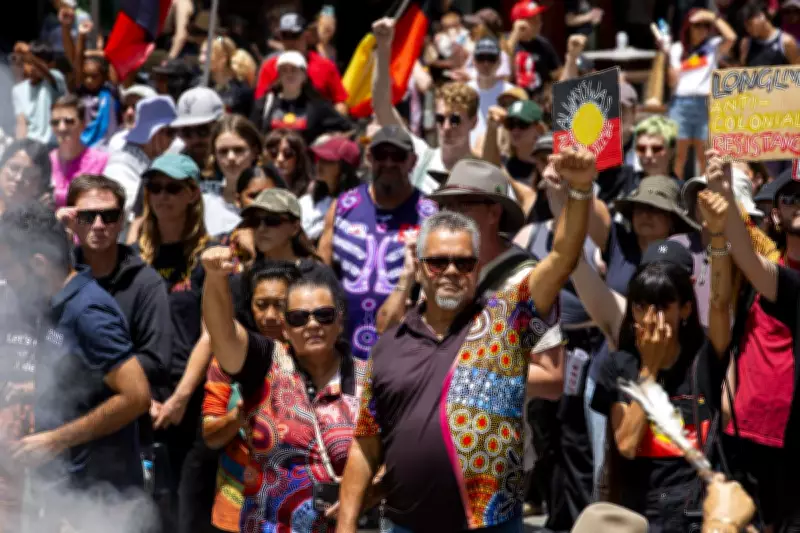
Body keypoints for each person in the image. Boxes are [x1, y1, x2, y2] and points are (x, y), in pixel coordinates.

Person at [336, 147, 595, 533]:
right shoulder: (390, 344)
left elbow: (562, 258)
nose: (451, 271)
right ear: (419, 268)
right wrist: (346, 525)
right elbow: (365, 444)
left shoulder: (503, 319)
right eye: (438, 262)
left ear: (477, 267)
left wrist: (580, 189)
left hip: (490, 522)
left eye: (464, 262)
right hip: (404, 524)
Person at [0, 202, 151, 523]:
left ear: (38, 265)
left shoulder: (89, 313)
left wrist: (55, 440)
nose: (5, 278)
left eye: (8, 267)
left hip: (100, 496)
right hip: (63, 490)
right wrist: (32, 390)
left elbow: (137, 396)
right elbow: (83, 376)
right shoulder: (52, 303)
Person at [202, 248, 369, 532]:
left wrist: (372, 489)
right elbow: (223, 333)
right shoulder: (265, 364)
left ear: (340, 322)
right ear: (286, 328)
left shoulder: (370, 379)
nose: (312, 324)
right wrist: (215, 277)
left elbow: (396, 455)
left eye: (324, 315)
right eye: (299, 318)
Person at [707, 151, 800, 531]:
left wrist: (727, 196)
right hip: (742, 434)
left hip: (790, 442)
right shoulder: (763, 273)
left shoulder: (781, 278)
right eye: (790, 197)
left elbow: (745, 253)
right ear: (775, 214)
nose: (798, 203)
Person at [135, 153, 210, 531]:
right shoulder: (135, 255)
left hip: (191, 400)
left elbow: (211, 334)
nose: (162, 196)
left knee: (187, 512)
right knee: (147, 511)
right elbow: (124, 329)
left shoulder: (208, 256)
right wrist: (141, 395)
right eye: (155, 187)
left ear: (192, 194)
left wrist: (179, 399)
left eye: (173, 188)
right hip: (143, 396)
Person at [317, 125, 438, 360]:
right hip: (342, 347)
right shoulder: (343, 206)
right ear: (369, 158)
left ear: (412, 162)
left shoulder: (429, 214)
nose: (389, 163)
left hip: (404, 347)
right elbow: (320, 272)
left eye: (398, 156)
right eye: (381, 155)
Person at [201, 261, 301, 533]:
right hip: (236, 510)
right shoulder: (227, 361)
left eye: (280, 305)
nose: (270, 316)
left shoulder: (313, 360)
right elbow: (211, 436)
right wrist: (240, 414)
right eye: (261, 305)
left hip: (296, 510)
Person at [59, 173, 173, 404]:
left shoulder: (145, 282)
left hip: (119, 410)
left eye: (109, 216)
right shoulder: (58, 275)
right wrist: (54, 234)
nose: (98, 225)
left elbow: (156, 360)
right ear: (72, 220)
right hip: (60, 407)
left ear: (121, 221)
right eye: (87, 216)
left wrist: (81, 375)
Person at [372, 17, 478, 193]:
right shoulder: (420, 156)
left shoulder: (485, 173)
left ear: (473, 122)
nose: (446, 127)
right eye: (440, 119)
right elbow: (382, 107)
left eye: (455, 120)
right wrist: (383, 47)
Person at [665, 9, 736, 180]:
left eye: (706, 26)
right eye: (697, 25)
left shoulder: (713, 46)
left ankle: (705, 191)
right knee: (678, 156)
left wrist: (712, 16)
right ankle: (676, 191)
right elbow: (671, 82)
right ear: (688, 27)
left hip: (706, 103)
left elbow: (731, 37)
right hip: (680, 103)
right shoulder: (676, 48)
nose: (702, 29)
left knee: (705, 156)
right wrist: (669, 64)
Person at [254, 12, 349, 116]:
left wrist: (335, 117)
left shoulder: (326, 66)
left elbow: (340, 102)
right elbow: (260, 104)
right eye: (285, 36)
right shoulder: (270, 66)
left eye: (295, 35)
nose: (290, 42)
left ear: (306, 35)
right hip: (280, 122)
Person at [252, 51, 352, 146]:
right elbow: (252, 135)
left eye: (294, 70)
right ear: (279, 76)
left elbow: (348, 129)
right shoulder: (265, 103)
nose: (289, 74)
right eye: (284, 70)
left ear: (304, 75)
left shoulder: (317, 106)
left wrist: (324, 142)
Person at [104, 95, 178, 217]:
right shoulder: (120, 164)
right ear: (155, 133)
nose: (174, 139)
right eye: (171, 133)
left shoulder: (151, 159)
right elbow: (129, 208)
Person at [49, 95, 108, 208]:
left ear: (83, 124)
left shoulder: (101, 161)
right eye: (55, 122)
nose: (61, 128)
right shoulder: (46, 161)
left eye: (69, 121)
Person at [302, 135, 361, 241]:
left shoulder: (357, 206)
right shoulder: (306, 201)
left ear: (344, 169)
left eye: (328, 160)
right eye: (319, 158)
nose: (319, 164)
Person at [12, 41, 67, 146]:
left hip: (51, 144)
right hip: (30, 144)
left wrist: (28, 54)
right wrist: (19, 147)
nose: (32, 67)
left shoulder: (55, 78)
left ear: (51, 65)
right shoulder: (17, 90)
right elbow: (21, 123)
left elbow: (44, 71)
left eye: (36, 63)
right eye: (28, 62)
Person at [467, 37, 515, 149]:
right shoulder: (465, 91)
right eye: (481, 58)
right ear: (473, 61)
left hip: (498, 152)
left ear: (499, 61)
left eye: (491, 58)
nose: (486, 63)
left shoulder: (511, 93)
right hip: (469, 153)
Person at [508, 1, 561, 99]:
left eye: (539, 19)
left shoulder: (544, 44)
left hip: (538, 100)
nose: (539, 23)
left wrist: (550, 90)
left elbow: (557, 74)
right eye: (534, 20)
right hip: (512, 99)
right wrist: (515, 36)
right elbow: (501, 66)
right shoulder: (507, 41)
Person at [171, 87, 225, 180]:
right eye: (186, 132)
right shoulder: (173, 168)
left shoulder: (236, 162)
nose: (195, 140)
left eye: (202, 130)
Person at [200, 35, 253, 117]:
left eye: (207, 54)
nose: (201, 59)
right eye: (201, 53)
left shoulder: (241, 90)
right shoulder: (198, 84)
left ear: (223, 58)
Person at [0, 138, 53, 215]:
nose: (19, 178)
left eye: (29, 174)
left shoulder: (42, 220)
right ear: (1, 169)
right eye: (14, 168)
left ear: (39, 186)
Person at [740, 0, 800, 65]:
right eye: (745, 26)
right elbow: (742, 68)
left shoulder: (786, 42)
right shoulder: (746, 43)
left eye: (749, 24)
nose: (747, 29)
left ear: (761, 17)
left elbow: (797, 68)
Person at [108, 85, 159, 152]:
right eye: (125, 107)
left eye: (136, 107)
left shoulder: (165, 143)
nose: (129, 112)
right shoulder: (116, 141)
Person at [264, 129, 314, 197]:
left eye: (288, 153)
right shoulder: (257, 187)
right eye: (273, 153)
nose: (280, 159)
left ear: (298, 158)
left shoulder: (310, 189)